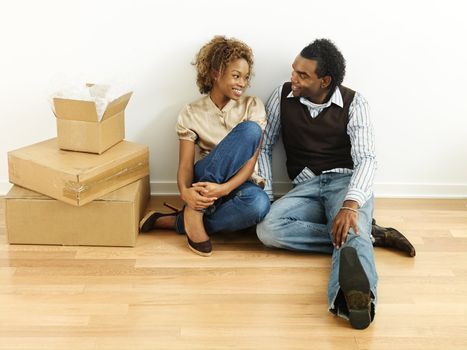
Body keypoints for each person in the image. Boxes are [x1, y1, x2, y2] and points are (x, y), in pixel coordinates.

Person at [256, 38, 405, 329]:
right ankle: (366, 236)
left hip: (344, 183)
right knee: (267, 229)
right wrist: (266, 195)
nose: (293, 78)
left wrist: (350, 205)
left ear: (325, 81)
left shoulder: (355, 102)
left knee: (350, 225)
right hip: (306, 187)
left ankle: (353, 301)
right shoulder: (281, 96)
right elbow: (263, 147)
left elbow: (367, 159)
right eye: (293, 70)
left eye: (303, 75)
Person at [139, 36, 270, 257]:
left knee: (258, 204)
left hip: (238, 182)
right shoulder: (191, 112)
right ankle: (194, 207)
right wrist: (185, 193)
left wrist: (225, 189)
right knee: (250, 131)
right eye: (236, 76)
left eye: (246, 78)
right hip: (205, 178)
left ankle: (182, 220)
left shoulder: (253, 106)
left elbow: (250, 164)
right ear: (215, 73)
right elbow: (185, 166)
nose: (242, 83)